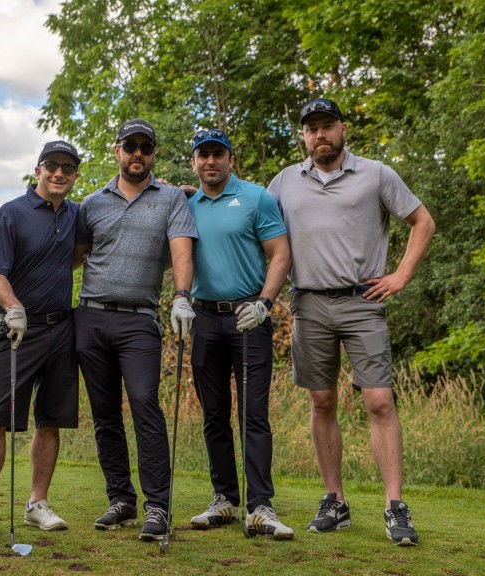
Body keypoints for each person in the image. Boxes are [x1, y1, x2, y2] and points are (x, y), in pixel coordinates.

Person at [268, 98, 435, 546]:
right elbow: (253, 221)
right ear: (303, 136)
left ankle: (395, 506)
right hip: (309, 304)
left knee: (379, 401)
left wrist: (400, 276)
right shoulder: (285, 181)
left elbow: (422, 221)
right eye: (311, 129)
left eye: (326, 126)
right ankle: (334, 502)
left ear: (343, 129)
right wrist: (185, 196)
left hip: (362, 301)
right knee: (321, 401)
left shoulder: (376, 174)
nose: (319, 135)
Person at [73, 118, 198, 542]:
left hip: (139, 319)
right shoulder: (91, 203)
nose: (137, 154)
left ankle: (158, 507)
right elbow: (73, 257)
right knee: (105, 415)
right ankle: (120, 500)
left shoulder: (170, 199)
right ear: (117, 151)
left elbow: (182, 248)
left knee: (145, 404)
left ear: (153, 153)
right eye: (131, 146)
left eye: (145, 147)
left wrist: (182, 295)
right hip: (90, 316)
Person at [0, 140, 82, 539]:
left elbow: (79, 253)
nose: (59, 173)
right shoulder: (11, 214)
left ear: (75, 175)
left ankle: (37, 504)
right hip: (18, 329)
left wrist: (173, 190)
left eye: (68, 167)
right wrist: (13, 307)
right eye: (52, 166)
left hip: (62, 328)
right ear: (38, 169)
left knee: (51, 420)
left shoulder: (78, 214)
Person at [184, 129, 294, 540]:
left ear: (230, 159)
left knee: (253, 413)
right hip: (204, 317)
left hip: (250, 315)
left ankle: (260, 505)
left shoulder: (256, 197)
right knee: (214, 415)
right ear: (193, 162)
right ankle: (225, 499)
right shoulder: (186, 204)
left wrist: (265, 303)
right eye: (203, 155)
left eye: (218, 154)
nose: (210, 161)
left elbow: (280, 253)